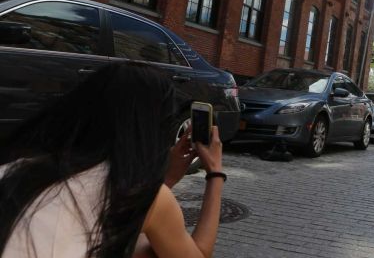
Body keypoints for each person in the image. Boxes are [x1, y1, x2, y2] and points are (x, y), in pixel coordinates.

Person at [0, 62, 225, 258]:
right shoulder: (144, 197)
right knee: (149, 249)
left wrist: (167, 177)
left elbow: (129, 210)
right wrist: (215, 173)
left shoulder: (18, 165)